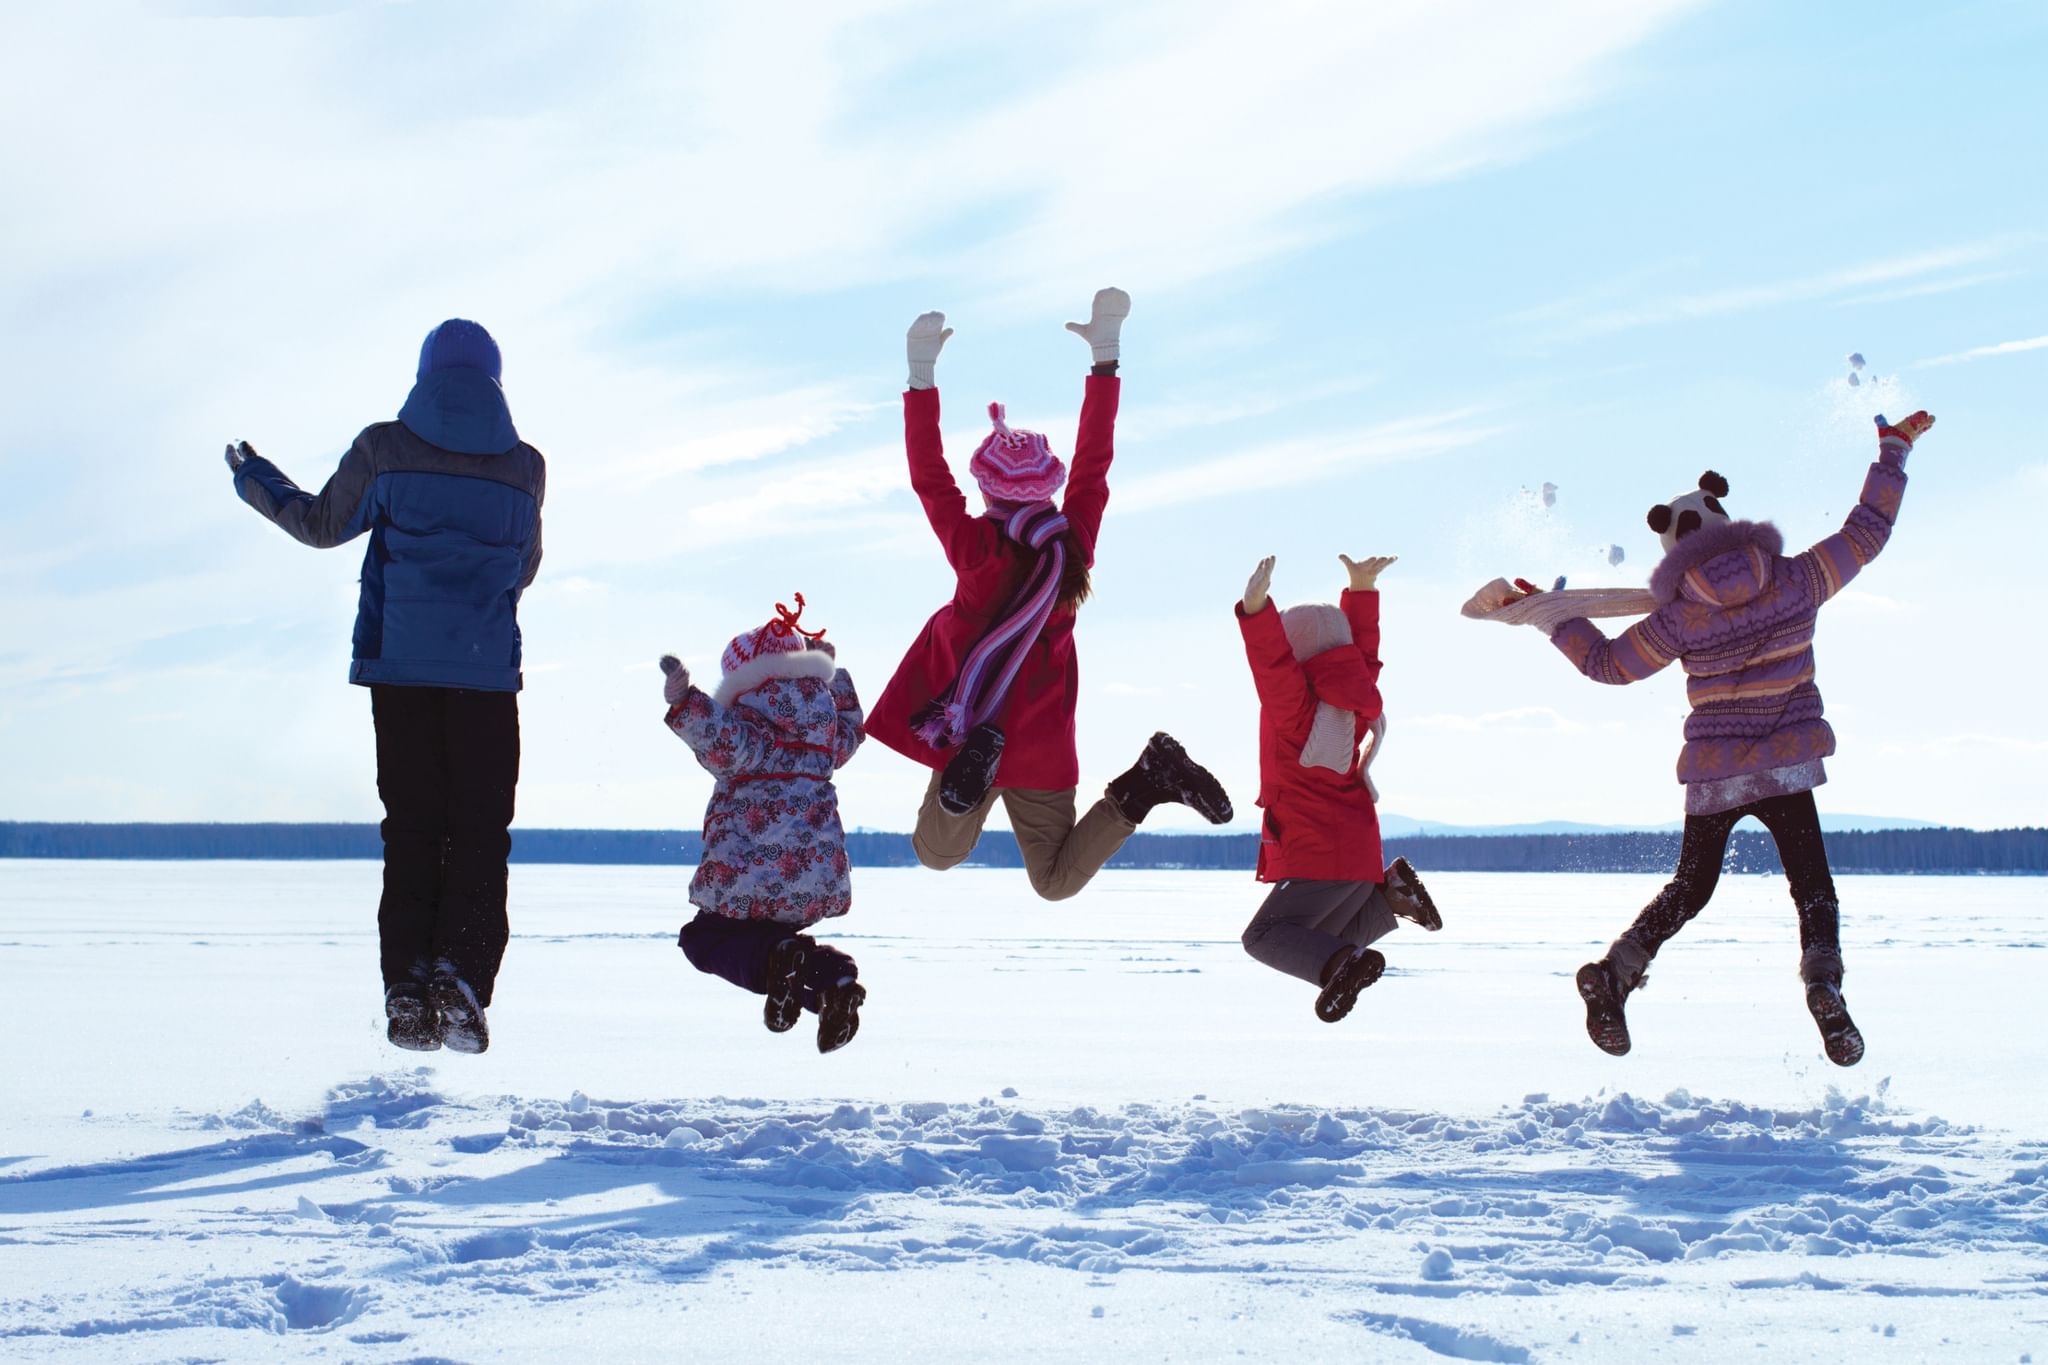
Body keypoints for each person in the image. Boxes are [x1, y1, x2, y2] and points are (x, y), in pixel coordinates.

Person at [1543, 411, 1935, 1066]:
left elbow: (1609, 664)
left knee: (1690, 888)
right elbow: (1866, 534)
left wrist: (1558, 622)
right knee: (1813, 886)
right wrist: (1891, 453)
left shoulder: (1677, 619)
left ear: (1671, 547)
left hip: (1715, 772)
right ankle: (1824, 986)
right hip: (1785, 765)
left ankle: (1616, 972)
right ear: (1726, 519)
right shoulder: (1796, 578)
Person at [225, 319, 544, 1054]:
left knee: (412, 830)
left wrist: (255, 476)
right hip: (485, 677)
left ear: (425, 372)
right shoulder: (526, 467)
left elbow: (318, 524)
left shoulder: (384, 448)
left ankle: (406, 986)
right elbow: (523, 566)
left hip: (400, 674)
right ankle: (460, 977)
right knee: (478, 833)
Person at [865, 289, 1233, 901]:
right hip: (1040, 738)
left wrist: (920, 377)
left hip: (972, 721)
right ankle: (1146, 782)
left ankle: (965, 786)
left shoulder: (978, 550)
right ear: (1047, 489)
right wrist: (1105, 361)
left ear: (988, 492)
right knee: (1056, 882)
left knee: (936, 853)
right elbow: (1094, 465)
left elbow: (929, 477)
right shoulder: (1073, 547)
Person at [1235, 554, 1442, 1021]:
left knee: (1264, 937)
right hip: (1356, 852)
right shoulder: (1348, 703)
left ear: (1297, 653)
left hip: (1321, 853)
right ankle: (1387, 898)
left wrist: (1255, 612)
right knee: (1320, 930)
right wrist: (1362, 590)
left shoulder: (1297, 712)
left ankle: (1341, 962)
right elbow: (1362, 660)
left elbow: (1272, 667)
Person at [661, 595, 869, 1052]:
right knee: (777, 940)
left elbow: (719, 733)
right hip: (814, 882)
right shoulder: (824, 735)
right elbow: (853, 726)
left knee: (702, 939)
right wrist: (833, 681)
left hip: (748, 878)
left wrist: (684, 702)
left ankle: (781, 963)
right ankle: (835, 982)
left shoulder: (749, 730)